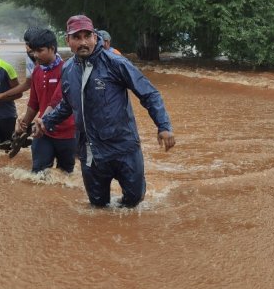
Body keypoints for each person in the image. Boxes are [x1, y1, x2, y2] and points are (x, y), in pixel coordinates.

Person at [35, 15, 176, 208]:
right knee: (97, 207)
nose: (83, 42)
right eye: (77, 37)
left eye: (87, 36)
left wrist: (164, 126)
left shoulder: (116, 63)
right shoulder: (68, 69)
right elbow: (69, 104)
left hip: (123, 147)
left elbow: (149, 93)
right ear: (68, 40)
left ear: (95, 37)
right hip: (90, 150)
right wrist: (47, 121)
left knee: (134, 201)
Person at [16, 29, 76, 173]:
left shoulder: (68, 69)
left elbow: (57, 100)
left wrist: (40, 121)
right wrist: (23, 126)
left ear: (52, 49)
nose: (35, 55)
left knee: (65, 174)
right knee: (38, 173)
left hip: (68, 133)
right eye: (33, 51)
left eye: (39, 51)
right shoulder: (37, 71)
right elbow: (33, 103)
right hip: (43, 133)